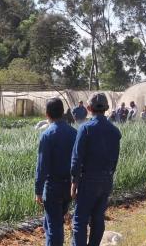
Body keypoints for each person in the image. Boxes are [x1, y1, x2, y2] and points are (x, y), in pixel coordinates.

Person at [70, 93, 122, 246]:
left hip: (88, 179)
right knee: (98, 218)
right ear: (106, 109)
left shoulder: (85, 128)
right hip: (106, 179)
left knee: (80, 219)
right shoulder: (114, 131)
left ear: (88, 108)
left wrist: (74, 180)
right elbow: (115, 159)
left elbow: (77, 157)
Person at [35, 98, 77, 246]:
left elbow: (42, 166)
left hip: (53, 187)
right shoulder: (74, 133)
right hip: (69, 187)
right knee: (52, 222)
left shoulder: (47, 135)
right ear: (63, 113)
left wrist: (38, 190)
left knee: (54, 227)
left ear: (47, 114)